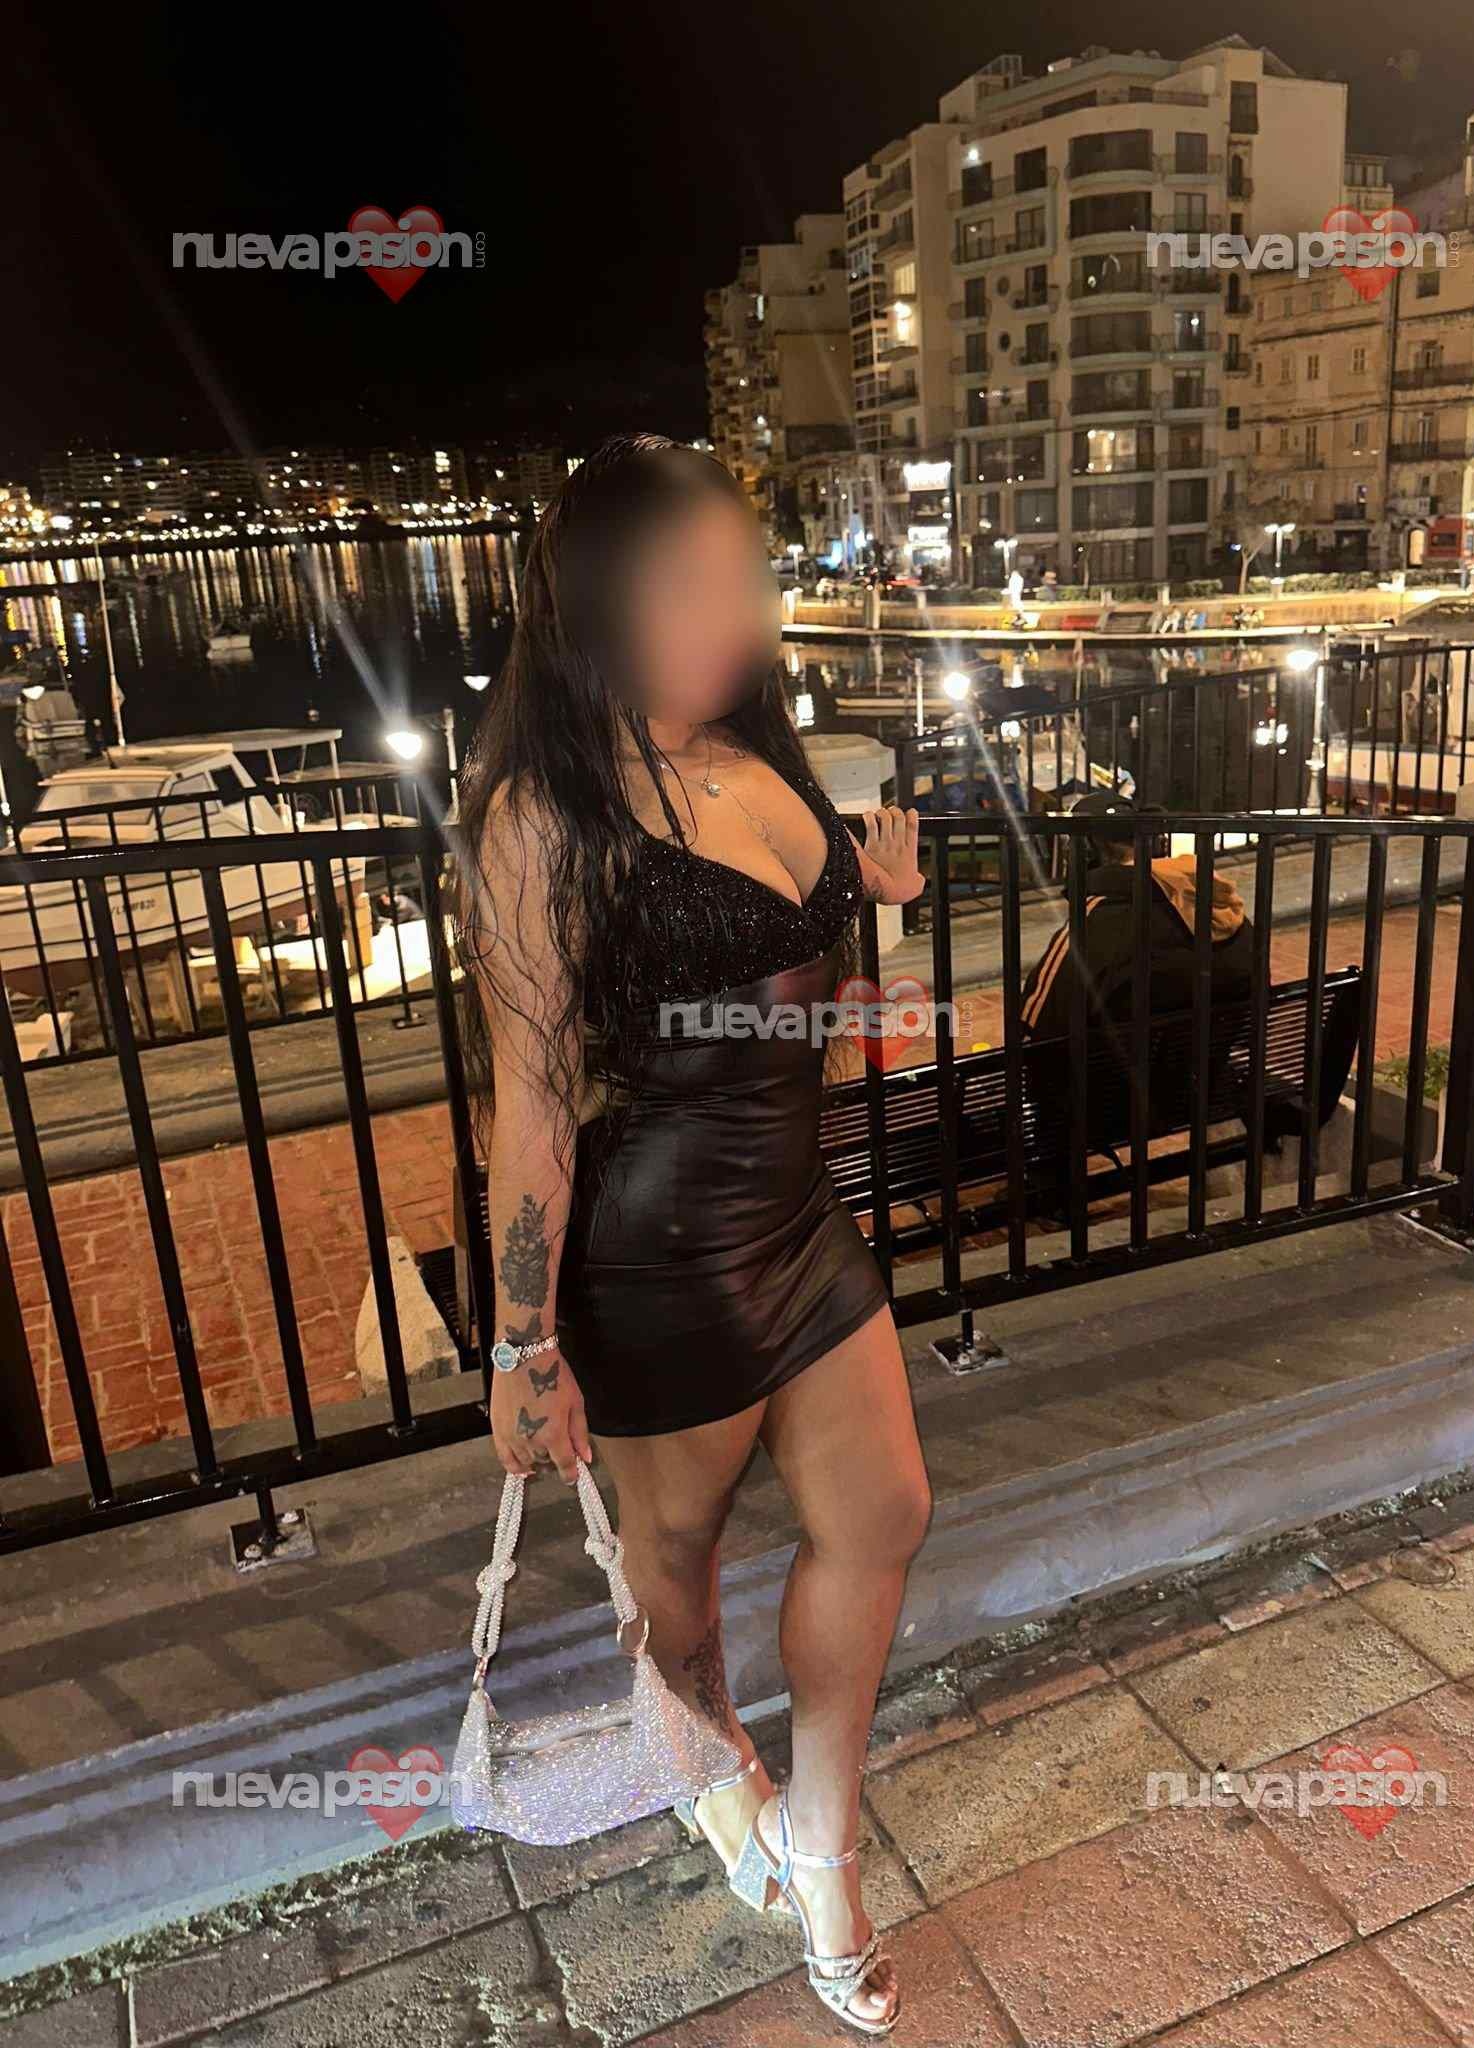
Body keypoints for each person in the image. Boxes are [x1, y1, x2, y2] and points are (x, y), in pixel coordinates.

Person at [455, 435, 929, 2036]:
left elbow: (792, 983)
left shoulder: (753, 743)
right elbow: (532, 1101)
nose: (736, 612)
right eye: (692, 583)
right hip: (662, 1253)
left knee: (884, 1514)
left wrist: (869, 906)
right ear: (599, 603)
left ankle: (821, 1838)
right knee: (675, 1564)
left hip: (797, 1214)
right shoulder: (540, 815)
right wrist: (523, 1342)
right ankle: (716, 1771)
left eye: (744, 575)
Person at [1020, 795, 1255, 1043]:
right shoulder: (1222, 906)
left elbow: (1039, 1025)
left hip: (1116, 1067)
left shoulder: (1093, 924)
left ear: (1087, 854)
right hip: (1206, 1064)